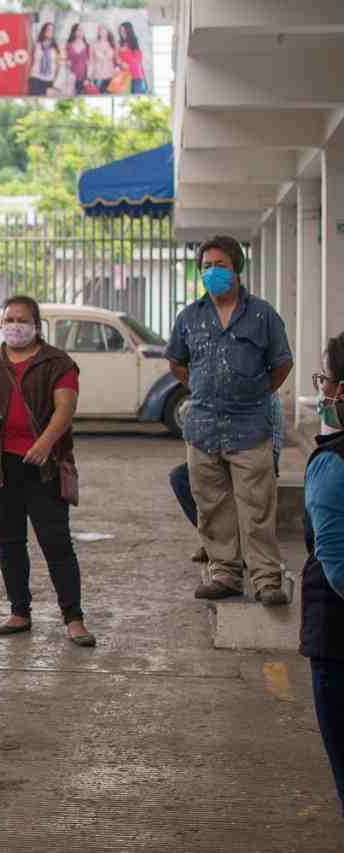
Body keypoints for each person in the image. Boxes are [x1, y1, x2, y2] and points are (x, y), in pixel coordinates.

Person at [0, 296, 96, 646]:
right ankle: (19, 613)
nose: (14, 326)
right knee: (9, 542)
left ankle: (74, 619)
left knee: (56, 542)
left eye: (22, 320)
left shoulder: (58, 363)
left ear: (36, 325)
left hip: (42, 466)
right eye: (9, 319)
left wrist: (45, 444)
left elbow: (66, 407)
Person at [166, 235, 293, 606]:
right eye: (206, 266)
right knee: (212, 506)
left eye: (220, 265)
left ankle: (267, 579)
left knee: (257, 508)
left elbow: (282, 363)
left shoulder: (262, 314)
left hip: (250, 427)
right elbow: (176, 361)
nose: (212, 272)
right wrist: (204, 390)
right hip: (202, 428)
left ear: (237, 269)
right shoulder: (190, 316)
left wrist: (254, 393)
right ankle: (225, 574)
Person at [302, 332, 344, 818]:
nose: (324, 392)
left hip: (340, 641)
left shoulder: (332, 466)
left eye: (328, 380)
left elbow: (338, 569)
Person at [169, 393, 284, 564]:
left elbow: (269, 446)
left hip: (256, 456)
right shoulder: (219, 385)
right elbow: (188, 414)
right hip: (225, 452)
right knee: (181, 477)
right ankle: (215, 541)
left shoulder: (260, 389)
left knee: (228, 479)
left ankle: (242, 549)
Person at [28, 21, 60, 96]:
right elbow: (31, 60)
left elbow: (58, 66)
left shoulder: (55, 48)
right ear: (44, 30)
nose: (50, 32)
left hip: (49, 79)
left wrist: (54, 80)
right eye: (48, 29)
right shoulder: (37, 44)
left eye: (52, 30)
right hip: (35, 77)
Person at [118, 22, 148, 94]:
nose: (122, 33)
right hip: (124, 76)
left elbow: (138, 60)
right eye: (120, 31)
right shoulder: (119, 43)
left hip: (137, 76)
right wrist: (121, 63)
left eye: (124, 31)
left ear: (129, 31)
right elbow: (117, 60)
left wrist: (127, 51)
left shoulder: (135, 42)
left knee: (138, 99)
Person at [88, 25, 117, 92]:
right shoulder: (93, 44)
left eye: (104, 30)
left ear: (107, 31)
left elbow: (116, 60)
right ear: (98, 32)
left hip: (111, 76)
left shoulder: (113, 43)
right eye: (100, 30)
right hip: (98, 76)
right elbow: (91, 62)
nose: (102, 32)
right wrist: (89, 78)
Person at [65, 23, 89, 96]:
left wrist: (87, 78)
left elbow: (89, 64)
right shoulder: (68, 45)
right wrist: (66, 62)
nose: (80, 32)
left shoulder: (87, 46)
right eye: (78, 30)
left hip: (83, 78)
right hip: (70, 77)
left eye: (82, 30)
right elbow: (64, 60)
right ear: (74, 32)